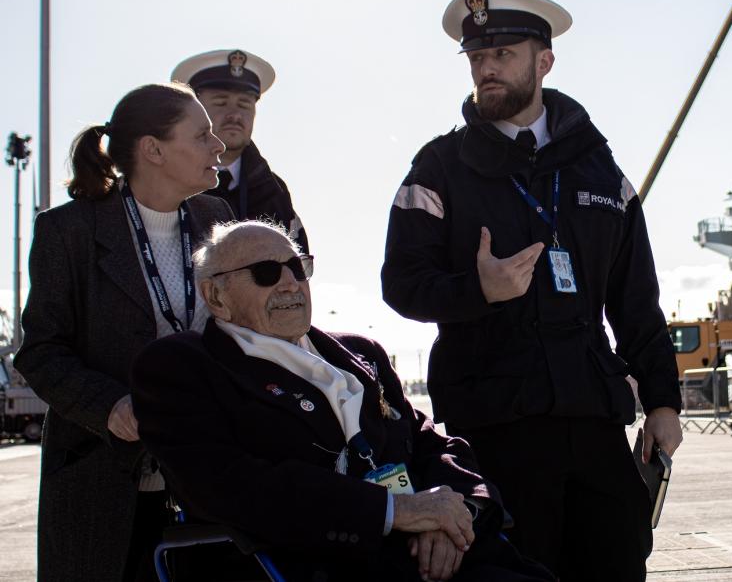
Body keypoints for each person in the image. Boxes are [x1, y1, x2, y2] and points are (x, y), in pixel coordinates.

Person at [381, 0, 683, 579]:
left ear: (544, 61)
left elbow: (636, 302)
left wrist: (664, 401)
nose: (486, 67)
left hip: (594, 418)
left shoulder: (601, 170)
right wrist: (478, 290)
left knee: (618, 563)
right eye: (476, 57)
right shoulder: (438, 167)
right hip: (494, 427)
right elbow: (401, 284)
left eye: (503, 53)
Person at [130, 221, 553, 581]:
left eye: (297, 267)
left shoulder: (360, 352)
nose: (290, 283)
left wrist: (454, 517)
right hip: (309, 561)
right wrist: (394, 512)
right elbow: (227, 487)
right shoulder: (183, 367)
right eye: (265, 272)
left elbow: (430, 444)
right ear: (216, 297)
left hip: (432, 553)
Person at [14, 83, 234, 582]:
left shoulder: (216, 219)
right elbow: (41, 352)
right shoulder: (67, 232)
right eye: (201, 135)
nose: (217, 146)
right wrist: (110, 406)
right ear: (153, 150)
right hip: (102, 485)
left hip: (207, 480)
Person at [171, 49, 309, 251]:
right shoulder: (169, 181)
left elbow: (298, 269)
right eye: (221, 102)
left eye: (244, 104)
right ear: (195, 110)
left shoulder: (273, 190)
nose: (234, 115)